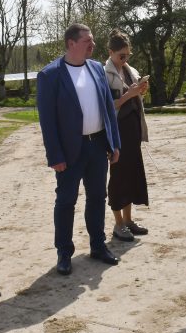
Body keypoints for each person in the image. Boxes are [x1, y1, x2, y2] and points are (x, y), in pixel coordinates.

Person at [36, 23, 121, 276]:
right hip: (69, 150)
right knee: (65, 201)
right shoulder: (50, 75)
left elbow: (108, 109)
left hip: (97, 145)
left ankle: (98, 245)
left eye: (92, 40)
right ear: (71, 43)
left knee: (97, 197)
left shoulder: (96, 69)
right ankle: (64, 252)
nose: (92, 45)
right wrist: (55, 155)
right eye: (87, 41)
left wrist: (114, 142)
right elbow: (47, 121)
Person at [104, 29, 149, 242]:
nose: (125, 59)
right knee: (118, 177)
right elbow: (107, 106)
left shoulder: (130, 70)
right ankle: (118, 224)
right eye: (121, 56)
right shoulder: (104, 74)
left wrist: (141, 91)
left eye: (128, 55)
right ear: (110, 52)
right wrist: (128, 95)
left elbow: (136, 97)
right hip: (117, 131)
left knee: (131, 174)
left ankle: (128, 220)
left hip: (132, 130)